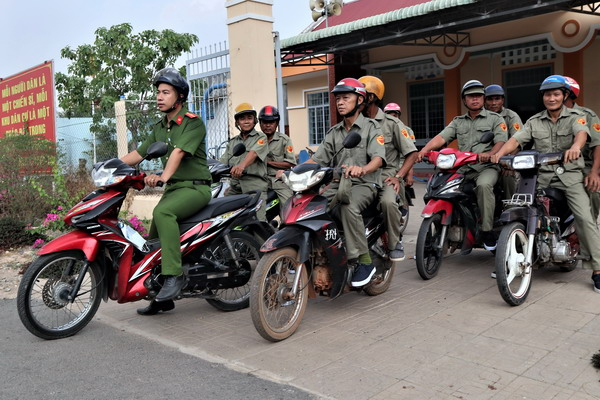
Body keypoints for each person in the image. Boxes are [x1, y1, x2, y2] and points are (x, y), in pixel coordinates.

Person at [491, 74, 600, 294]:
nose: (551, 98)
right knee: (519, 208)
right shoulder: (534, 121)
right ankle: (513, 254)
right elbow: (517, 139)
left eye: (556, 94)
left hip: (569, 176)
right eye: (547, 95)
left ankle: (597, 269)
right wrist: (500, 153)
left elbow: (581, 135)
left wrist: (576, 147)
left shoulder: (577, 116)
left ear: (564, 95)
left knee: (585, 218)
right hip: (540, 175)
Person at [120, 67, 212, 315]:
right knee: (151, 238)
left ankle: (174, 276)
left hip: (196, 188)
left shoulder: (193, 123)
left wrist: (162, 177)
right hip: (174, 190)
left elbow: (178, 154)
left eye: (166, 92)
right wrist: (111, 166)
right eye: (158, 92)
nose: (159, 97)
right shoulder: (159, 128)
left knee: (163, 214)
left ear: (179, 96)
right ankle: (162, 297)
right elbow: (138, 154)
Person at [311, 78, 386, 287]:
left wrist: (363, 168)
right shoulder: (334, 132)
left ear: (360, 100)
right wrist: (294, 171)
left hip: (364, 183)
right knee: (309, 206)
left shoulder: (371, 127)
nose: (340, 103)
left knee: (348, 206)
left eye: (346, 98)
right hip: (337, 183)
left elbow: (378, 159)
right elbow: (317, 159)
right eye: (338, 99)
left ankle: (364, 261)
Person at [417, 80, 508, 250]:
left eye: (478, 96)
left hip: (486, 168)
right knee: (439, 187)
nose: (475, 99)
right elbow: (442, 137)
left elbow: (501, 141)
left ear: (483, 98)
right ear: (464, 100)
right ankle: (440, 229)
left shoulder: (495, 119)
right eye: (470, 97)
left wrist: (490, 155)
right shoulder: (458, 121)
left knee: (483, 185)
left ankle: (487, 231)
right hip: (463, 168)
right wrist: (424, 150)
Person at [359, 76, 417, 261]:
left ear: (372, 97)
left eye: (361, 95)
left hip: (385, 176)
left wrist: (399, 176)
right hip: (361, 177)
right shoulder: (355, 123)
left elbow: (412, 153)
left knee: (388, 203)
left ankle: (394, 242)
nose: (356, 99)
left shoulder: (392, 124)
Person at [220, 103, 269, 220]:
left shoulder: (261, 137)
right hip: (235, 187)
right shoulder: (233, 142)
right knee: (220, 215)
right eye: (242, 118)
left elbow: (254, 153)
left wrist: (242, 166)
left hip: (254, 186)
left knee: (257, 221)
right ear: (237, 122)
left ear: (255, 120)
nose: (246, 121)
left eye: (249, 118)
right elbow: (223, 161)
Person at [563, 76, 600, 221]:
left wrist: (594, 172)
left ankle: (588, 228)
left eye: (558, 94)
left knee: (594, 190)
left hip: (583, 166)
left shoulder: (588, 115)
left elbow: (597, 145)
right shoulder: (545, 116)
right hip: (555, 166)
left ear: (569, 95)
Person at [484, 84, 524, 200]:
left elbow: (518, 141)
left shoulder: (511, 116)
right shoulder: (482, 116)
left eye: (497, 99)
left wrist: (509, 163)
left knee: (509, 178)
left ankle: (510, 208)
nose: (493, 103)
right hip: (484, 161)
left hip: (504, 161)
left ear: (502, 100)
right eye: (490, 99)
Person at [259, 105, 295, 206]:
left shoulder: (284, 140)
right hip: (260, 181)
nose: (268, 125)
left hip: (278, 180)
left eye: (271, 122)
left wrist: (268, 163)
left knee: (287, 207)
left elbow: (290, 163)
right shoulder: (255, 140)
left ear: (277, 123)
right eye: (265, 122)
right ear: (260, 123)